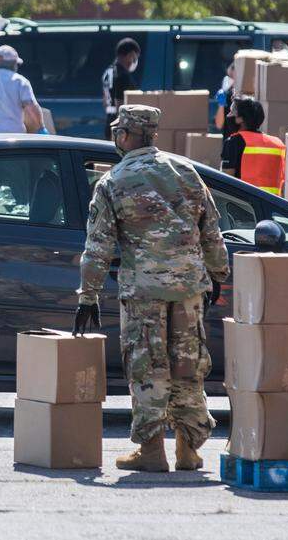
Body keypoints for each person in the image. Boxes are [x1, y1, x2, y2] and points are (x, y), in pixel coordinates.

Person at [75, 104, 229, 472]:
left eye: (117, 132)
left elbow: (98, 247)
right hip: (190, 290)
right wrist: (218, 275)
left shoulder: (113, 181)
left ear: (126, 135)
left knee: (148, 368)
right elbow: (211, 231)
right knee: (187, 368)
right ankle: (189, 450)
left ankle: (151, 451)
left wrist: (88, 296)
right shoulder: (186, 171)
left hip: (144, 293)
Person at [221, 96, 285, 196]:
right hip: (272, 206)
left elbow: (225, 183)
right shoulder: (277, 144)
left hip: (244, 206)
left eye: (231, 112)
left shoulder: (232, 142)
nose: (228, 115)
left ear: (240, 119)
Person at [102, 38, 141, 139]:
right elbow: (120, 103)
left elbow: (105, 100)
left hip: (109, 120)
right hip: (120, 125)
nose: (135, 61)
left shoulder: (108, 71)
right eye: (135, 57)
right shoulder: (122, 75)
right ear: (131, 55)